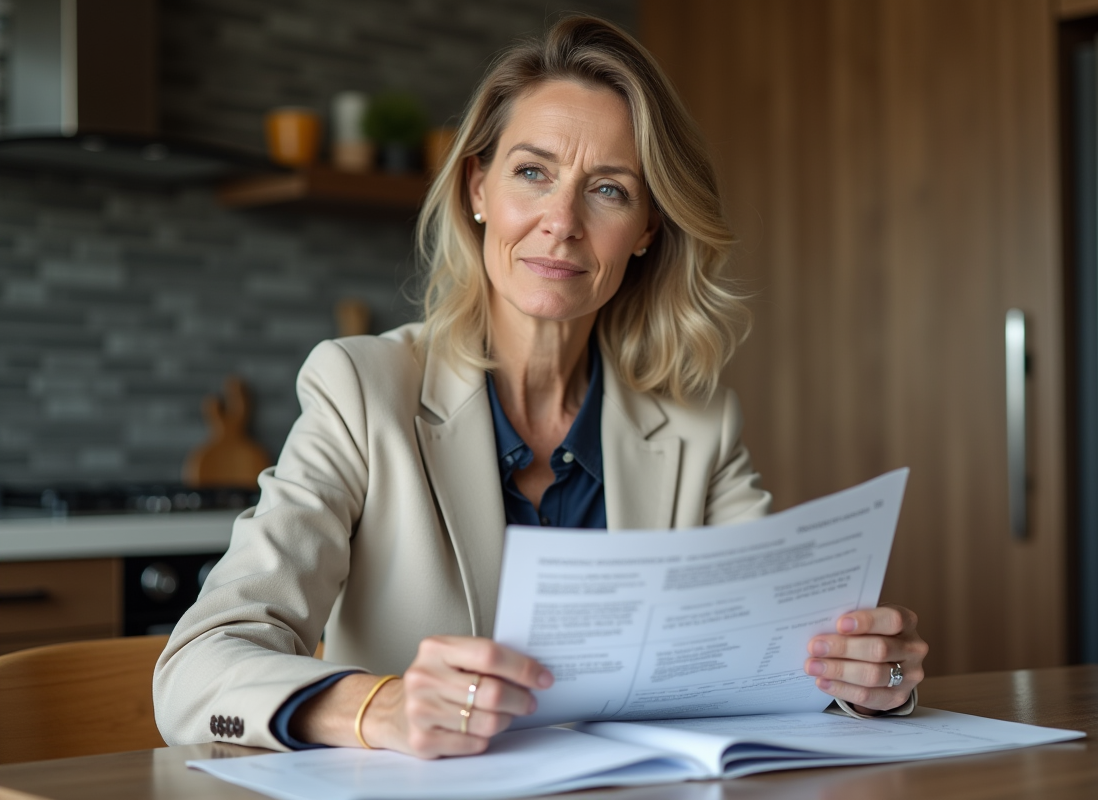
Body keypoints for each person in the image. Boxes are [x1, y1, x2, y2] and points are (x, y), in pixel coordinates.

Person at [153, 15, 928, 759]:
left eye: (609, 190)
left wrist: (865, 679)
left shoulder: (697, 427)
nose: (561, 221)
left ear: (649, 228)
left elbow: (772, 651)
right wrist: (374, 706)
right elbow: (195, 669)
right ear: (478, 189)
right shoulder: (362, 391)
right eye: (533, 173)